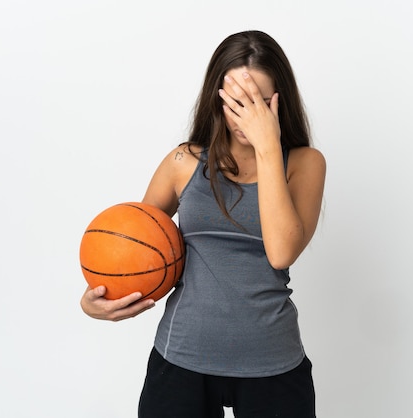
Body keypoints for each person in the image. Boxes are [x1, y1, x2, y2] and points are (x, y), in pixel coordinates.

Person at [80, 29, 326, 418]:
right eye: (237, 103)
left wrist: (267, 146)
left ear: (280, 102)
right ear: (217, 98)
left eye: (260, 104)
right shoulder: (183, 161)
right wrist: (96, 301)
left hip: (272, 359)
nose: (248, 117)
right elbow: (134, 252)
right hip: (181, 357)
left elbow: (280, 252)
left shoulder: (304, 164)